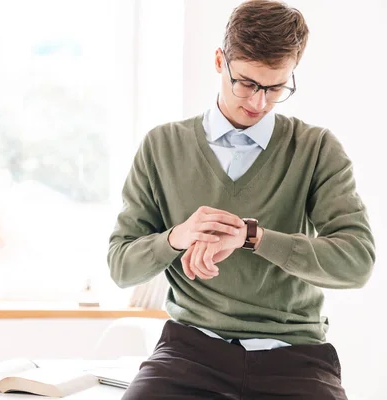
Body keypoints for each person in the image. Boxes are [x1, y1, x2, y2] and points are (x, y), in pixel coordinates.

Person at [107, 0, 376, 399]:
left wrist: (253, 237)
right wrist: (177, 237)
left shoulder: (316, 148)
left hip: (294, 356)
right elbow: (121, 266)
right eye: (246, 83)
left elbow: (357, 262)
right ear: (220, 61)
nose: (258, 103)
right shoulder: (162, 146)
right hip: (189, 351)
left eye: (276, 87)